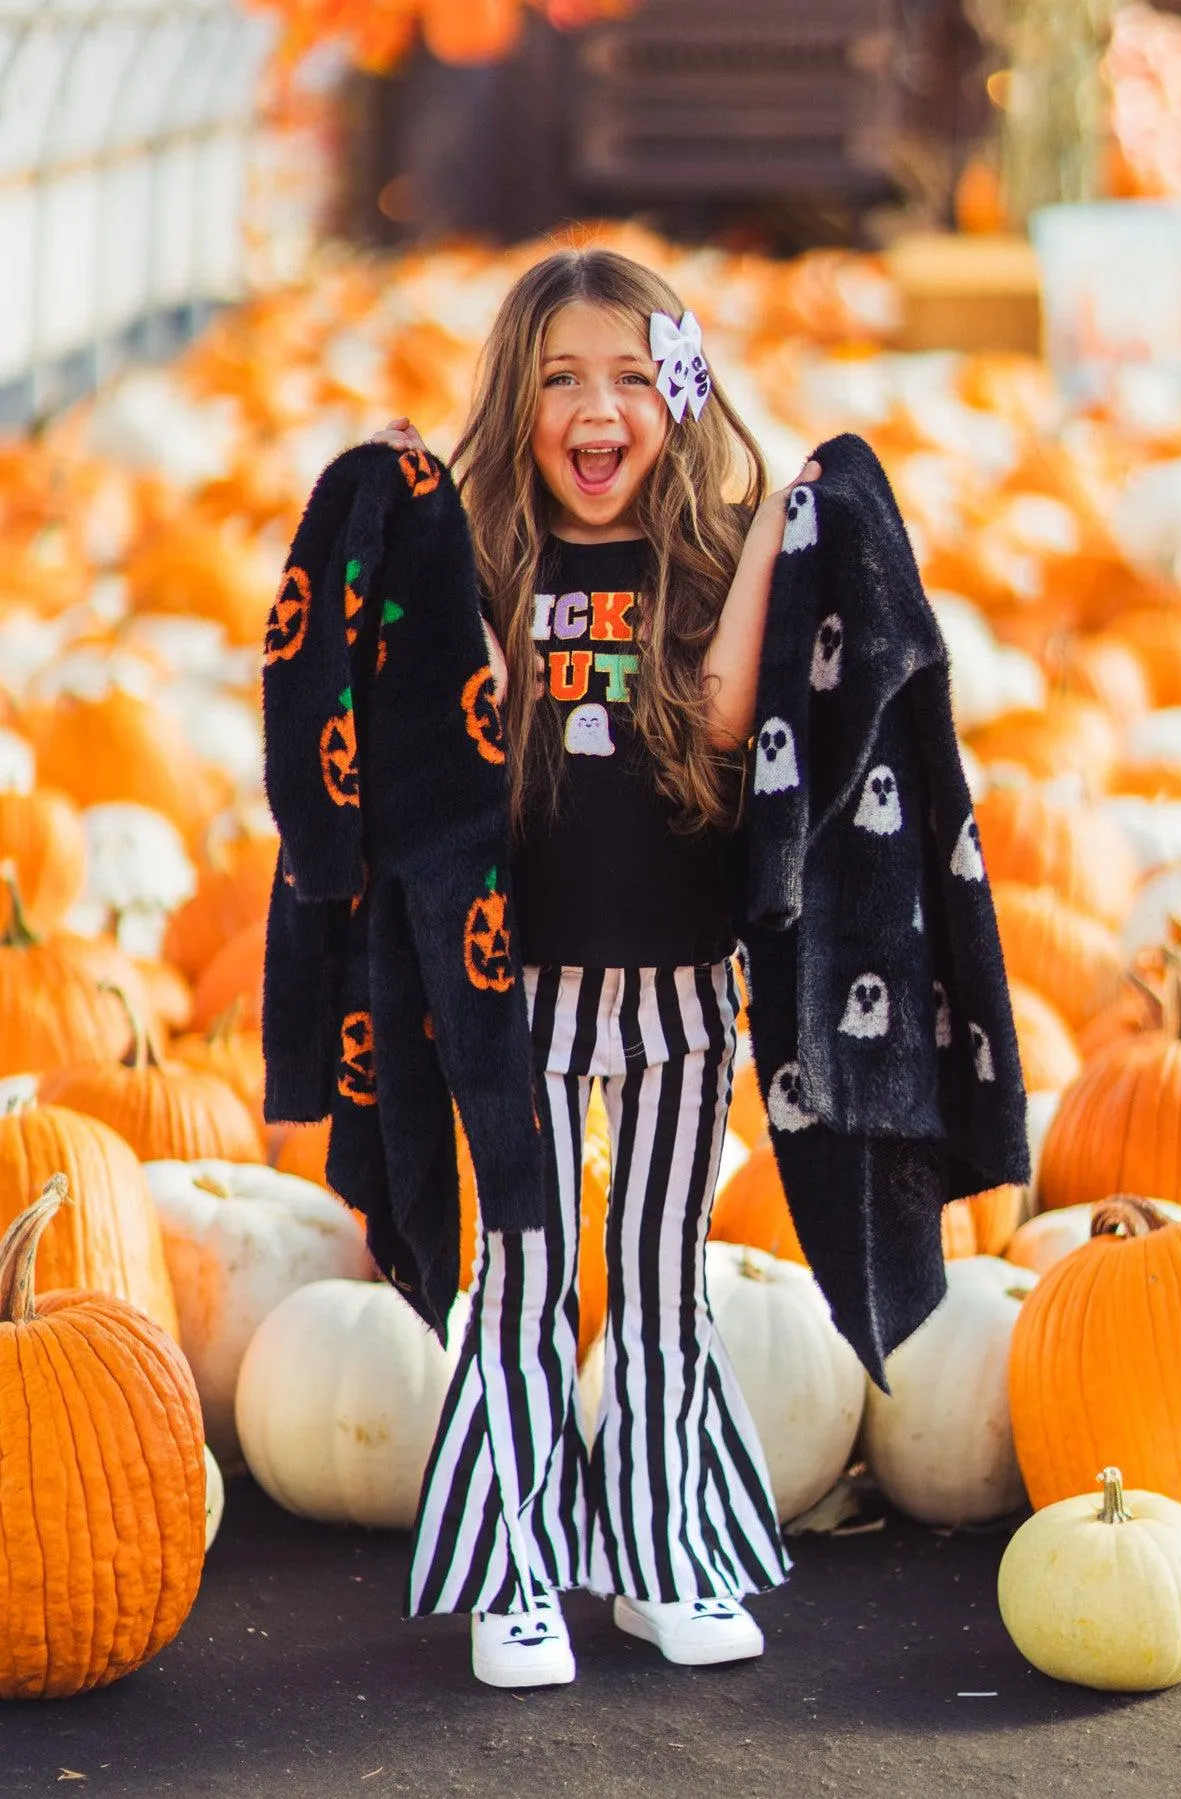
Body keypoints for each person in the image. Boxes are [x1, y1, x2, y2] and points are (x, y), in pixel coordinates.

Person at [370, 247, 821, 1690]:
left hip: (688, 991)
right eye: (561, 376)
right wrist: (406, 532)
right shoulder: (492, 563)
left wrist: (777, 527)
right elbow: (431, 739)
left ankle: (657, 1551)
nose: (598, 407)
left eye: (634, 374)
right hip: (523, 997)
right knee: (522, 1273)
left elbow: (730, 713)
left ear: (678, 394)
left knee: (661, 1276)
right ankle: (516, 1573)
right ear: (518, 402)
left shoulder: (702, 557)